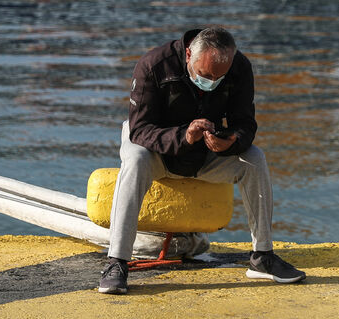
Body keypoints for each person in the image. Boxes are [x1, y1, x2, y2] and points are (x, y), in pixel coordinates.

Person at [99, 26, 306, 294]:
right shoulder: (153, 65)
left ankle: (262, 256)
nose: (212, 81)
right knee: (136, 159)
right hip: (156, 152)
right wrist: (184, 136)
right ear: (188, 54)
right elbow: (140, 130)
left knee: (254, 158)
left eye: (220, 77)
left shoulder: (239, 67)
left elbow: (245, 123)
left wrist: (233, 140)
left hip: (205, 152)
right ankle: (116, 262)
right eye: (206, 75)